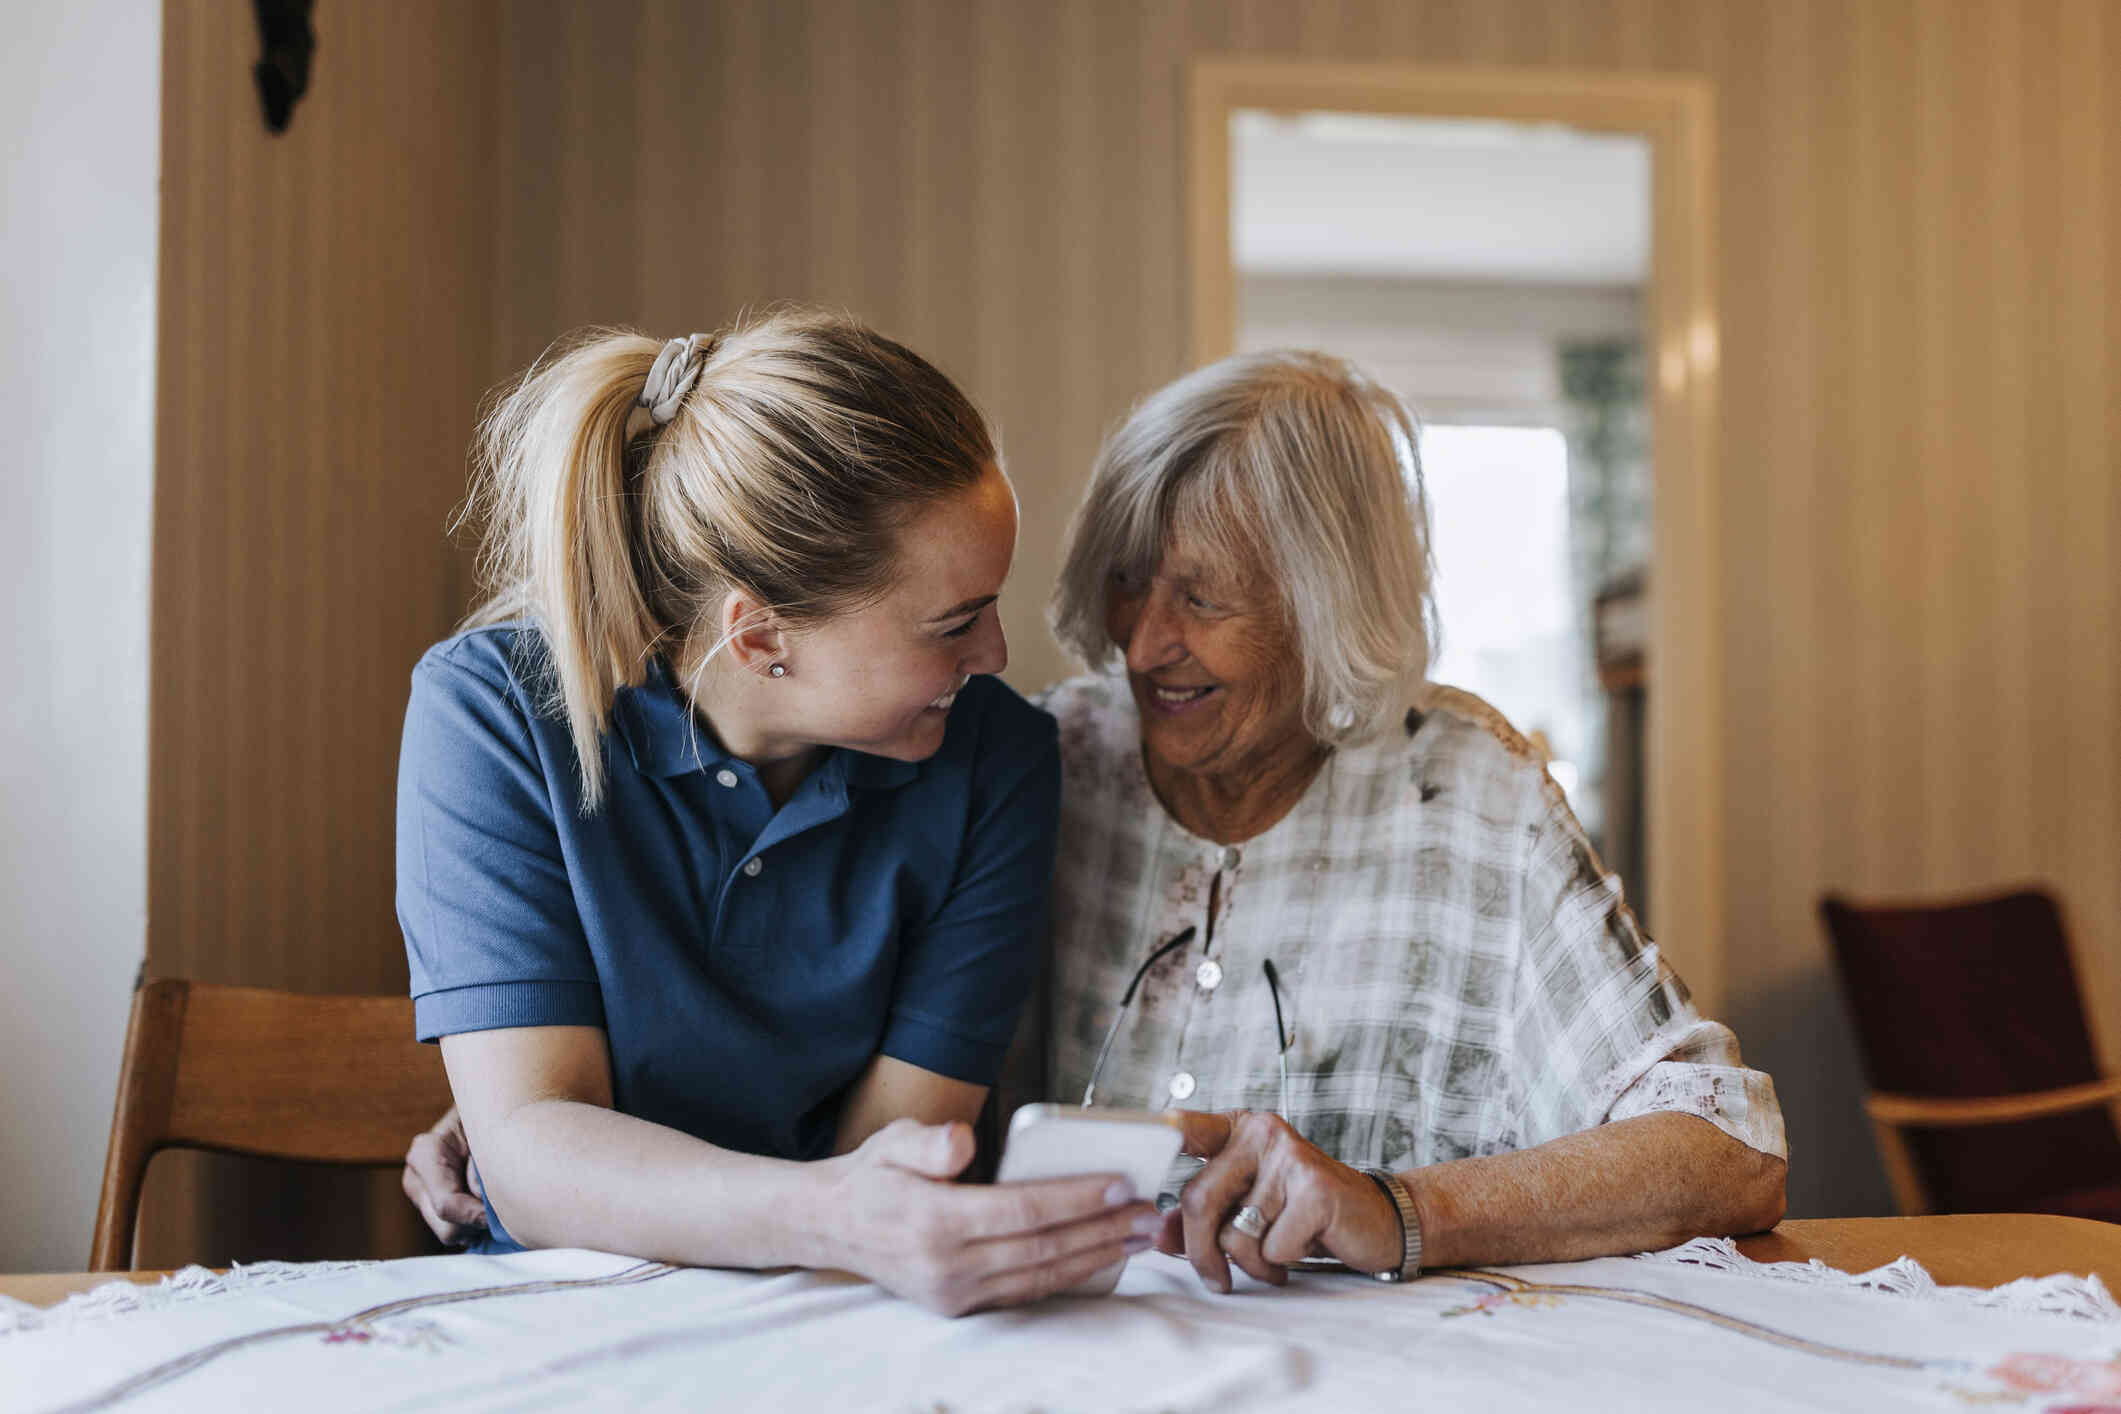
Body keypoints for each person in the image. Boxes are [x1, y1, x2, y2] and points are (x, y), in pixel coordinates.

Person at [408, 346, 1787, 1296]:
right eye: (1127, 582)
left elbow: (1726, 1142)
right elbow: (848, 1134)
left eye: (1205, 595)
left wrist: (1399, 1206)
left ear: (1332, 607)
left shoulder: (1455, 789)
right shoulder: (1056, 750)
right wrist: (539, 1133)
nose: (1141, 640)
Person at [395, 310, 1160, 1318]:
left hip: (842, 1310)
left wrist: (829, 1216)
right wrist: (826, 1212)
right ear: (760, 639)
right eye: (954, 622)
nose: (997, 655)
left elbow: (897, 1156)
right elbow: (539, 1154)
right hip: (560, 1309)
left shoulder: (995, 760)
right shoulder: (497, 714)